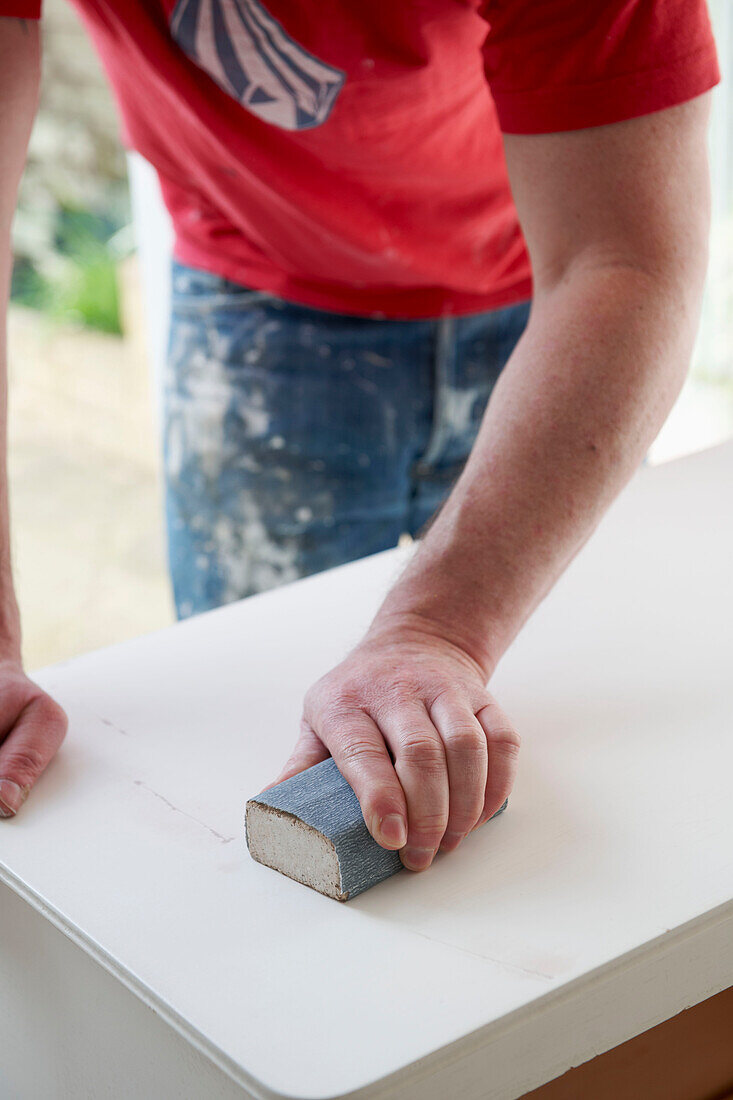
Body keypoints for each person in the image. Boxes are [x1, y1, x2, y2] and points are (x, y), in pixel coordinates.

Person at [0, 2, 719, 874]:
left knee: (597, 749)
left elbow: (624, 263)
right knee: (249, 766)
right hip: (258, 292)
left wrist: (436, 631)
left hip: (555, 305)